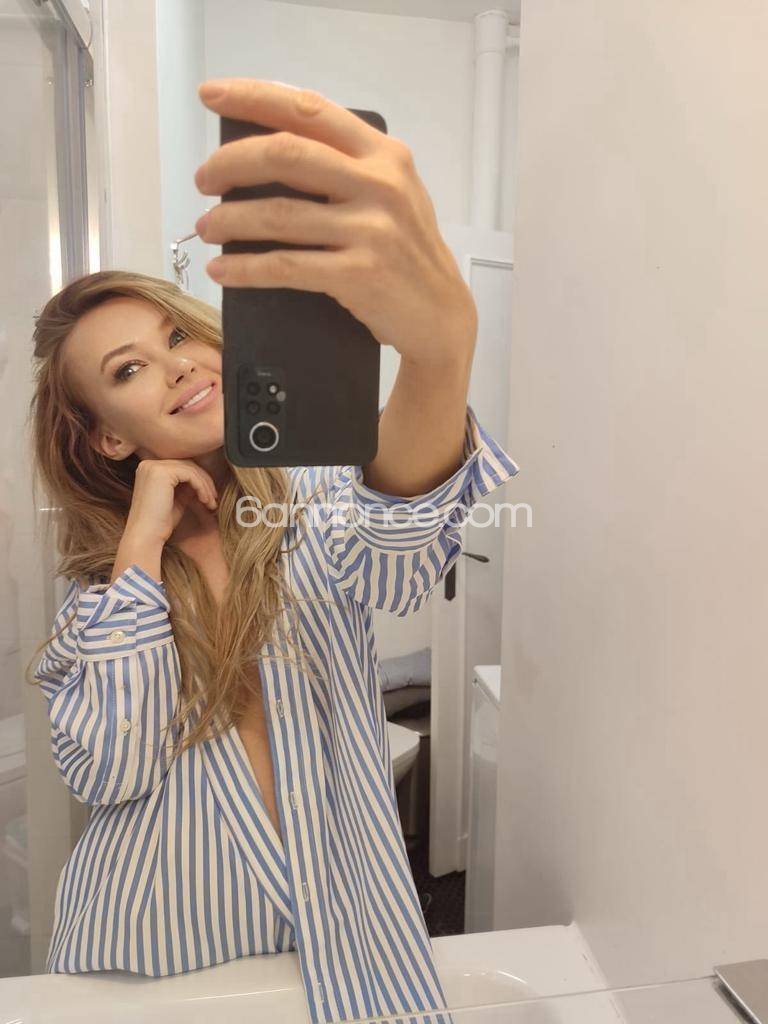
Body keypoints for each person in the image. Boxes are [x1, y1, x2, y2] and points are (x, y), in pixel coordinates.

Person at [24, 80, 521, 1024]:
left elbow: (398, 552)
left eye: (178, 334)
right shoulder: (100, 596)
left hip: (334, 939)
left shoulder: (312, 499)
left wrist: (438, 353)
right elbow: (105, 768)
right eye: (129, 370)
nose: (176, 365)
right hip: (145, 958)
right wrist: (141, 547)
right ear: (109, 437)